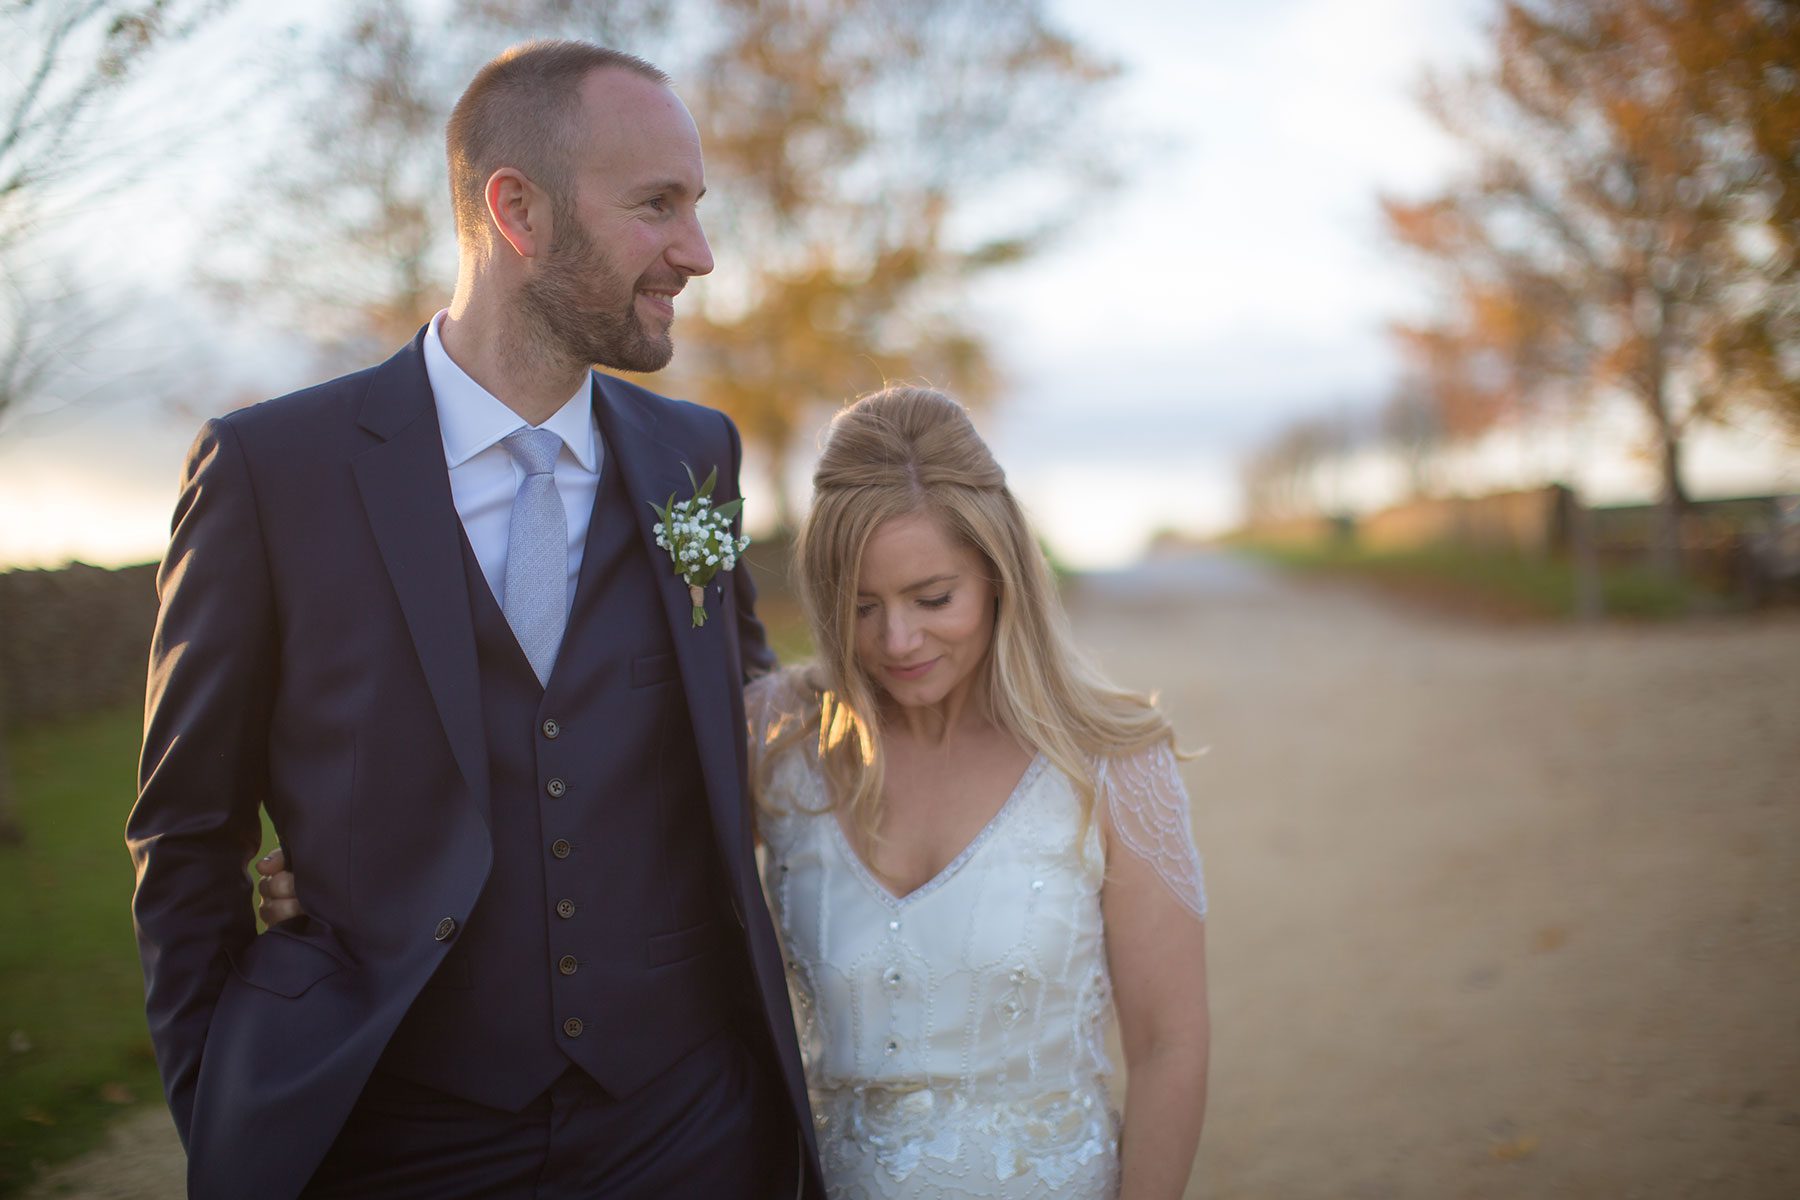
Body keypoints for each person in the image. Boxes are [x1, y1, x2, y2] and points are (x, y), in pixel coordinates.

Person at [128, 41, 818, 1200]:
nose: (697, 254)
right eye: (658, 207)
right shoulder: (272, 472)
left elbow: (738, 701)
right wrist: (235, 1109)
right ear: (517, 212)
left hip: (690, 1128)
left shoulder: (697, 460)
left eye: (696, 209)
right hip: (395, 1139)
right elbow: (186, 837)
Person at [267, 386, 1212, 1197]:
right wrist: (363, 875)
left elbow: (1169, 1045)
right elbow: (568, 831)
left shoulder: (1113, 765)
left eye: (934, 598)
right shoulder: (776, 740)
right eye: (861, 604)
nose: (896, 643)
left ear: (1001, 579)